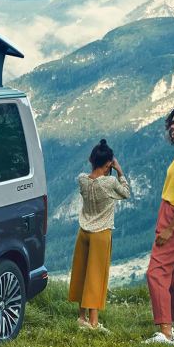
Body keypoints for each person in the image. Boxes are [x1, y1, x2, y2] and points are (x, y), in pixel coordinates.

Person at [68, 139, 130, 332]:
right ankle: (94, 323)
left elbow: (91, 180)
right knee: (96, 276)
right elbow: (126, 193)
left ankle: (82, 317)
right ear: (107, 165)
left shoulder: (82, 179)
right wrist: (119, 171)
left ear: (91, 160)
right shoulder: (110, 182)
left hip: (83, 231)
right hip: (101, 233)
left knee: (82, 272)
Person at [144, 108, 174, 345]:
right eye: (172, 124)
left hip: (173, 217)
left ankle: (165, 332)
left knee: (156, 272)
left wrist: (169, 228)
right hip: (170, 213)